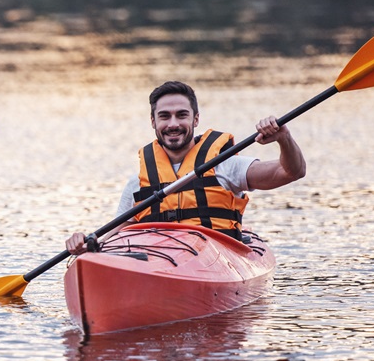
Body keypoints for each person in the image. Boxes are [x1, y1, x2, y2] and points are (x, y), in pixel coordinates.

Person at [66, 80, 305, 255]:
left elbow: (291, 172)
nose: (173, 124)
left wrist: (283, 138)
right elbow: (117, 232)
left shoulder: (224, 166)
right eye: (164, 116)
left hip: (217, 257)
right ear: (153, 122)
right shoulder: (138, 183)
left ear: (196, 119)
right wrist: (88, 244)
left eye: (182, 115)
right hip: (161, 259)